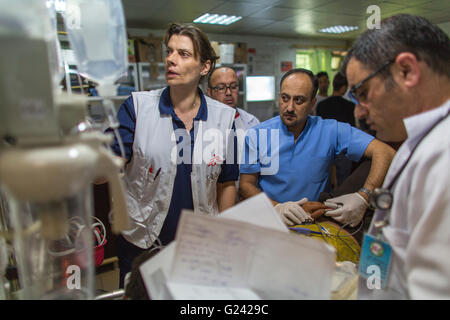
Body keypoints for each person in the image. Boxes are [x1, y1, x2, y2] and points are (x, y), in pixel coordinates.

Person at [102, 23, 239, 288]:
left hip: (199, 246)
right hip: (142, 244)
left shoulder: (223, 118)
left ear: (205, 66)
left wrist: (225, 236)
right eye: (169, 51)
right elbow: (103, 172)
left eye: (183, 54)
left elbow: (226, 183)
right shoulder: (137, 108)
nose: (171, 60)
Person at [343, 14, 450, 299]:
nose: (359, 112)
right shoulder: (419, 140)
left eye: (363, 93)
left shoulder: (444, 154)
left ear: (406, 71)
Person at [239, 68, 396, 228]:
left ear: (313, 103)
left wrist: (364, 196)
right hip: (269, 220)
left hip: (313, 224)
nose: (289, 108)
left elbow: (385, 152)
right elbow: (246, 185)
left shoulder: (329, 130)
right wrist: (277, 208)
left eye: (299, 100)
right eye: (285, 98)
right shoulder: (257, 134)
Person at [317, 72, 356, 187]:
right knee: (343, 182)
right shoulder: (349, 106)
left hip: (326, 148)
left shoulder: (322, 105)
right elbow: (352, 129)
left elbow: (319, 129)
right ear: (344, 87)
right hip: (343, 149)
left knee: (326, 181)